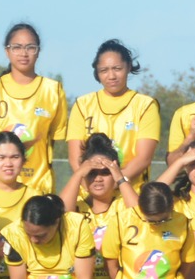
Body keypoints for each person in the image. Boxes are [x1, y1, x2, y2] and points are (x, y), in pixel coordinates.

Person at [0, 23, 68, 194]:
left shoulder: (53, 90)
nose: (24, 53)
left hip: (38, 189)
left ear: (38, 51)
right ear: (7, 51)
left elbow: (50, 140)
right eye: (17, 47)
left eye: (30, 47)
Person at [67, 40, 161, 182]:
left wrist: (116, 184)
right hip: (91, 193)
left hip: (129, 194)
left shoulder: (146, 105)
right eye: (104, 70)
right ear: (97, 72)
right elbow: (75, 159)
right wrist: (94, 187)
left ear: (128, 67)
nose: (111, 76)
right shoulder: (82, 104)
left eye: (117, 68)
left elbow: (143, 158)